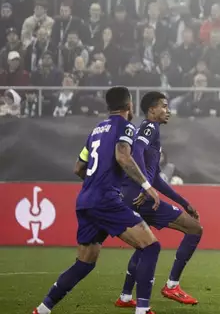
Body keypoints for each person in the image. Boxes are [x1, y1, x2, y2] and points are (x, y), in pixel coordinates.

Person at [32, 87, 162, 314]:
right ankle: (142, 310)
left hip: (85, 200)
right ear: (129, 106)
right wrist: (147, 186)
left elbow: (78, 167)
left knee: (84, 263)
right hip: (105, 199)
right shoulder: (125, 126)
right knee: (151, 246)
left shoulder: (96, 130)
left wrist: (96, 183)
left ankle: (42, 309)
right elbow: (123, 156)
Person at [115, 92, 203, 308]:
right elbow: (135, 152)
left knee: (144, 245)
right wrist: (144, 187)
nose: (168, 110)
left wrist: (183, 201)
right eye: (164, 106)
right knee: (194, 229)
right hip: (138, 195)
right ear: (152, 110)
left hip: (131, 195)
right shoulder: (149, 127)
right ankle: (172, 285)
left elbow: (155, 179)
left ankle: (126, 297)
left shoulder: (152, 132)